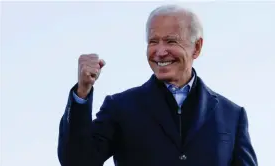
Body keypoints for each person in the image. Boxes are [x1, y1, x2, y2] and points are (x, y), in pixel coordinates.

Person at [57, 4, 258, 166]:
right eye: (153, 41)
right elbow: (76, 161)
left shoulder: (232, 115)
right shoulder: (120, 107)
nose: (160, 52)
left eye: (171, 41)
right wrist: (82, 92)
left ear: (196, 47)